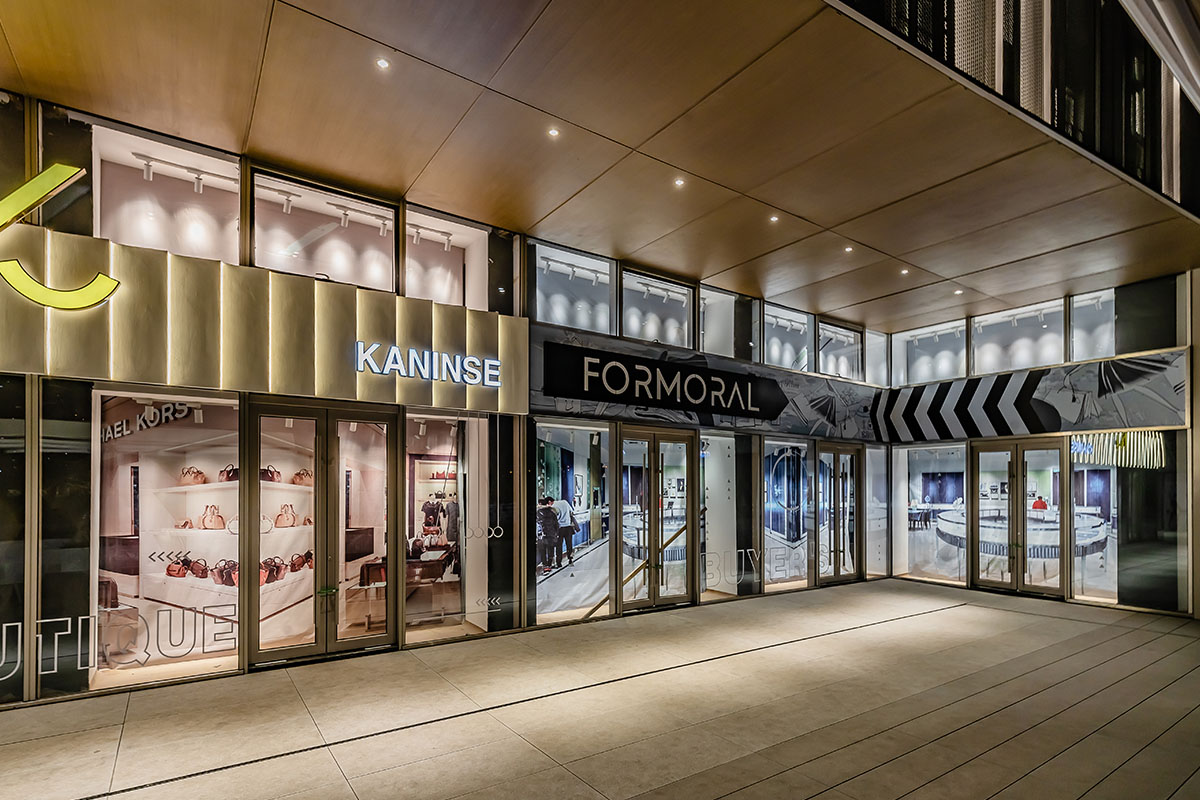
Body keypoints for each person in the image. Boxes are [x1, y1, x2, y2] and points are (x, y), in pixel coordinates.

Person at [551, 496, 579, 568]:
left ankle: (559, 563)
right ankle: (570, 559)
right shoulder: (565, 502)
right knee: (569, 545)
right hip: (568, 527)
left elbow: (554, 517)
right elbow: (571, 512)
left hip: (559, 528)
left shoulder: (553, 506)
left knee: (559, 546)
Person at [535, 497, 559, 576]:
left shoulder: (538, 513)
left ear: (540, 504)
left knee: (542, 552)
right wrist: (556, 534)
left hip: (541, 535)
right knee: (550, 550)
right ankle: (549, 565)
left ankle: (545, 566)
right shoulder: (552, 512)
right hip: (551, 535)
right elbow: (556, 525)